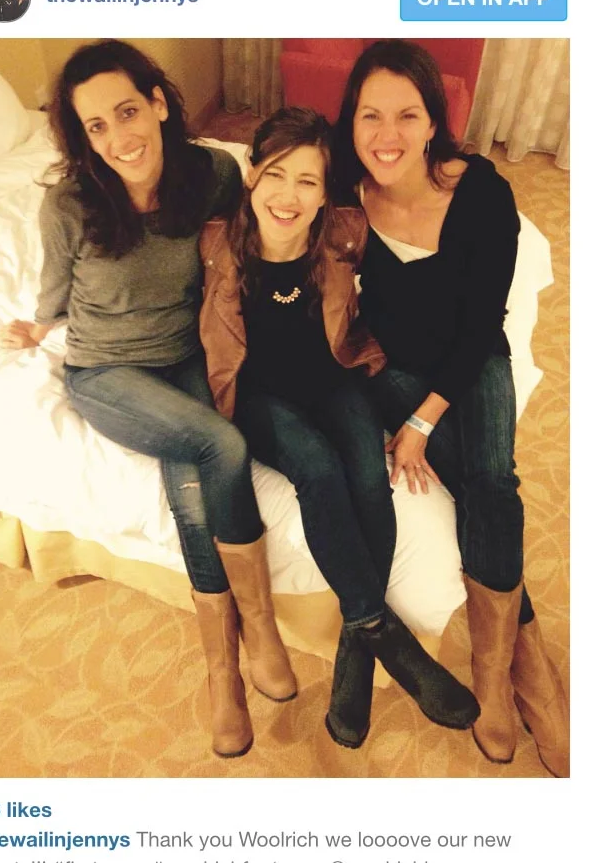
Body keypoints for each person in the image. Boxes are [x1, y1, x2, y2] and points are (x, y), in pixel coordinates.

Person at [0, 39, 296, 760]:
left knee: (191, 487)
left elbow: (252, 228)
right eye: (96, 126)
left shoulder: (211, 173)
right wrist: (35, 327)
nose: (119, 138)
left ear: (158, 104)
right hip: (106, 371)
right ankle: (256, 631)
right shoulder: (70, 203)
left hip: (184, 352)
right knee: (220, 443)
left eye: (127, 112)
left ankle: (225, 666)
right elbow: (54, 289)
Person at [199, 106, 480, 749]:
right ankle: (389, 640)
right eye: (276, 174)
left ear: (327, 192)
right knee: (318, 470)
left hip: (335, 374)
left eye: (308, 180)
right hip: (259, 397)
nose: (289, 195)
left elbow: (417, 270)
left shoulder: (345, 233)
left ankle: (356, 650)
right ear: (251, 175)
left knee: (365, 473)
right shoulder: (214, 243)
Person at [333, 39, 570, 776]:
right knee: (476, 487)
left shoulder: (480, 190)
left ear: (434, 121)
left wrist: (425, 421)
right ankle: (524, 657)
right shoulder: (347, 197)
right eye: (370, 115)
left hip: (469, 361)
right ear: (351, 124)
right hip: (393, 367)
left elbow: (478, 328)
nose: (387, 135)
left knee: (490, 478)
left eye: (408, 114)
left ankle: (496, 680)